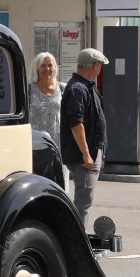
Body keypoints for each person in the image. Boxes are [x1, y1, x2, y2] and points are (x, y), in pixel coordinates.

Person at [61, 47, 108, 232]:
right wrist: (86, 154)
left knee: (84, 201)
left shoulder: (87, 86)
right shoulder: (78, 89)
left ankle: (74, 238)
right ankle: (75, 241)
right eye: (100, 66)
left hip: (91, 153)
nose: (100, 70)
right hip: (84, 158)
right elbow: (76, 123)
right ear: (94, 66)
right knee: (83, 202)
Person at [28, 51, 61, 144]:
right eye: (43, 66)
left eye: (50, 65)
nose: (47, 69)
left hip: (57, 143)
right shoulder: (28, 90)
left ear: (54, 68)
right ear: (37, 69)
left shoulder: (62, 89)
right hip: (35, 143)